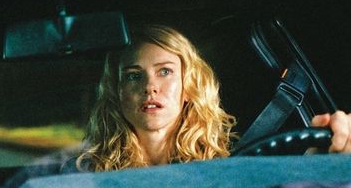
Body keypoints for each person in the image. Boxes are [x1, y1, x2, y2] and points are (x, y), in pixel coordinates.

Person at [76, 24, 351, 172]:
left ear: (187, 88)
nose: (150, 87)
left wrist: (321, 159)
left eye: (165, 72)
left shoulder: (224, 169)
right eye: (134, 76)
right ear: (117, 92)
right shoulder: (88, 174)